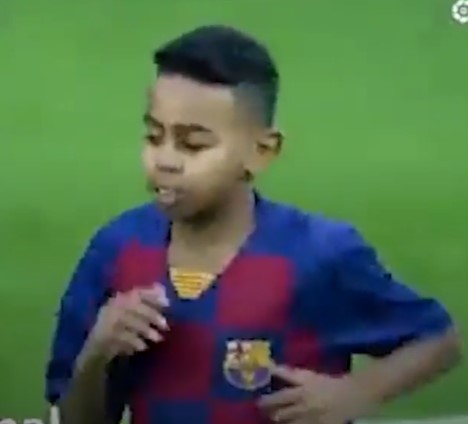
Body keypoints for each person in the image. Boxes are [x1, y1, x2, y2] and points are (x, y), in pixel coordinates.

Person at [45, 25, 462, 424]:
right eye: (154, 136)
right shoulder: (116, 250)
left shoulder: (321, 254)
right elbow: (75, 418)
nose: (166, 159)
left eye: (193, 144)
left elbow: (439, 340)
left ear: (261, 151)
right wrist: (97, 351)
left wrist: (355, 393)